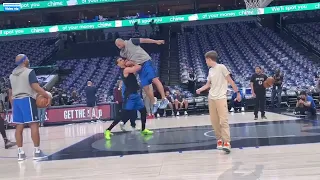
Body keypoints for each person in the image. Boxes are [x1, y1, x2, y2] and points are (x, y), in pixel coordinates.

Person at [9, 54, 51, 161]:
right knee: (34, 124)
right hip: (27, 99)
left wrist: (14, 105)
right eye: (27, 58)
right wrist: (46, 95)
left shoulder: (11, 75)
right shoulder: (29, 72)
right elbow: (35, 87)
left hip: (16, 101)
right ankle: (37, 152)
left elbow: (10, 93)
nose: (28, 59)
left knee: (19, 127)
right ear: (24, 61)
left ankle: (20, 153)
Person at [196, 51, 240, 153]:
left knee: (223, 120)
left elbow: (230, 80)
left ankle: (227, 142)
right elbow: (208, 84)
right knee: (214, 121)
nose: (205, 62)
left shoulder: (221, 67)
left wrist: (237, 93)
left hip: (221, 97)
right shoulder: (210, 70)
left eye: (206, 59)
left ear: (209, 59)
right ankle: (219, 139)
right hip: (211, 98)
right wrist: (200, 89)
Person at [104, 58, 153, 140]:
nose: (122, 60)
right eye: (120, 60)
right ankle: (108, 130)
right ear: (118, 64)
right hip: (130, 96)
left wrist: (131, 62)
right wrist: (134, 61)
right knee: (122, 115)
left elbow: (135, 71)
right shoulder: (125, 70)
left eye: (122, 59)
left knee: (143, 111)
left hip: (136, 95)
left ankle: (143, 129)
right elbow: (138, 68)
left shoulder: (128, 69)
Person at [115, 38, 168, 111]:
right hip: (139, 67)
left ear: (121, 41)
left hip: (145, 62)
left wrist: (156, 41)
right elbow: (126, 61)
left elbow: (144, 40)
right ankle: (154, 103)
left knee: (155, 79)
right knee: (145, 87)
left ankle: (164, 98)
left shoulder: (131, 41)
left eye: (118, 45)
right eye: (117, 46)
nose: (118, 46)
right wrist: (128, 63)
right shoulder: (122, 53)